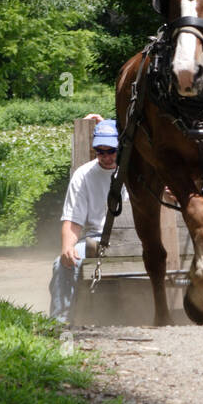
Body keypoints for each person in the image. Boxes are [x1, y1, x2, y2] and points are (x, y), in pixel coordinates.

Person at [49, 117, 128, 321]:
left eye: (111, 151)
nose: (106, 157)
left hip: (132, 238)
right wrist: (68, 247)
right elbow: (72, 221)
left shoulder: (135, 172)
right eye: (100, 152)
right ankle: (60, 322)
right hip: (96, 238)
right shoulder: (83, 175)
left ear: (120, 148)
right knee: (63, 263)